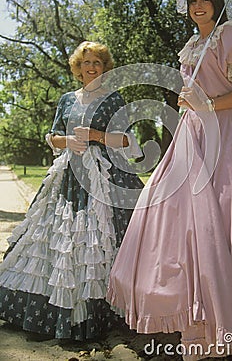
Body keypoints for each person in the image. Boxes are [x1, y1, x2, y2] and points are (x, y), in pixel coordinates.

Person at [107, 0, 232, 360]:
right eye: (193, 0)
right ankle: (195, 309)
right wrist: (189, 102)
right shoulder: (190, 47)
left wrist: (206, 105)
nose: (199, 6)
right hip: (192, 137)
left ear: (217, 4)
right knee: (181, 219)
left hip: (228, 138)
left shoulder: (230, 35)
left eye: (206, 0)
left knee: (228, 218)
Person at [0, 41, 143, 341]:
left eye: (98, 63)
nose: (91, 68)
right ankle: (44, 316)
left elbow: (128, 141)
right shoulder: (66, 100)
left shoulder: (113, 99)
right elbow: (52, 136)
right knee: (57, 239)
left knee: (96, 241)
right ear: (77, 69)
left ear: (105, 68)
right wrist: (66, 142)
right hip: (68, 177)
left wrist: (96, 136)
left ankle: (97, 314)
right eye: (86, 63)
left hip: (102, 176)